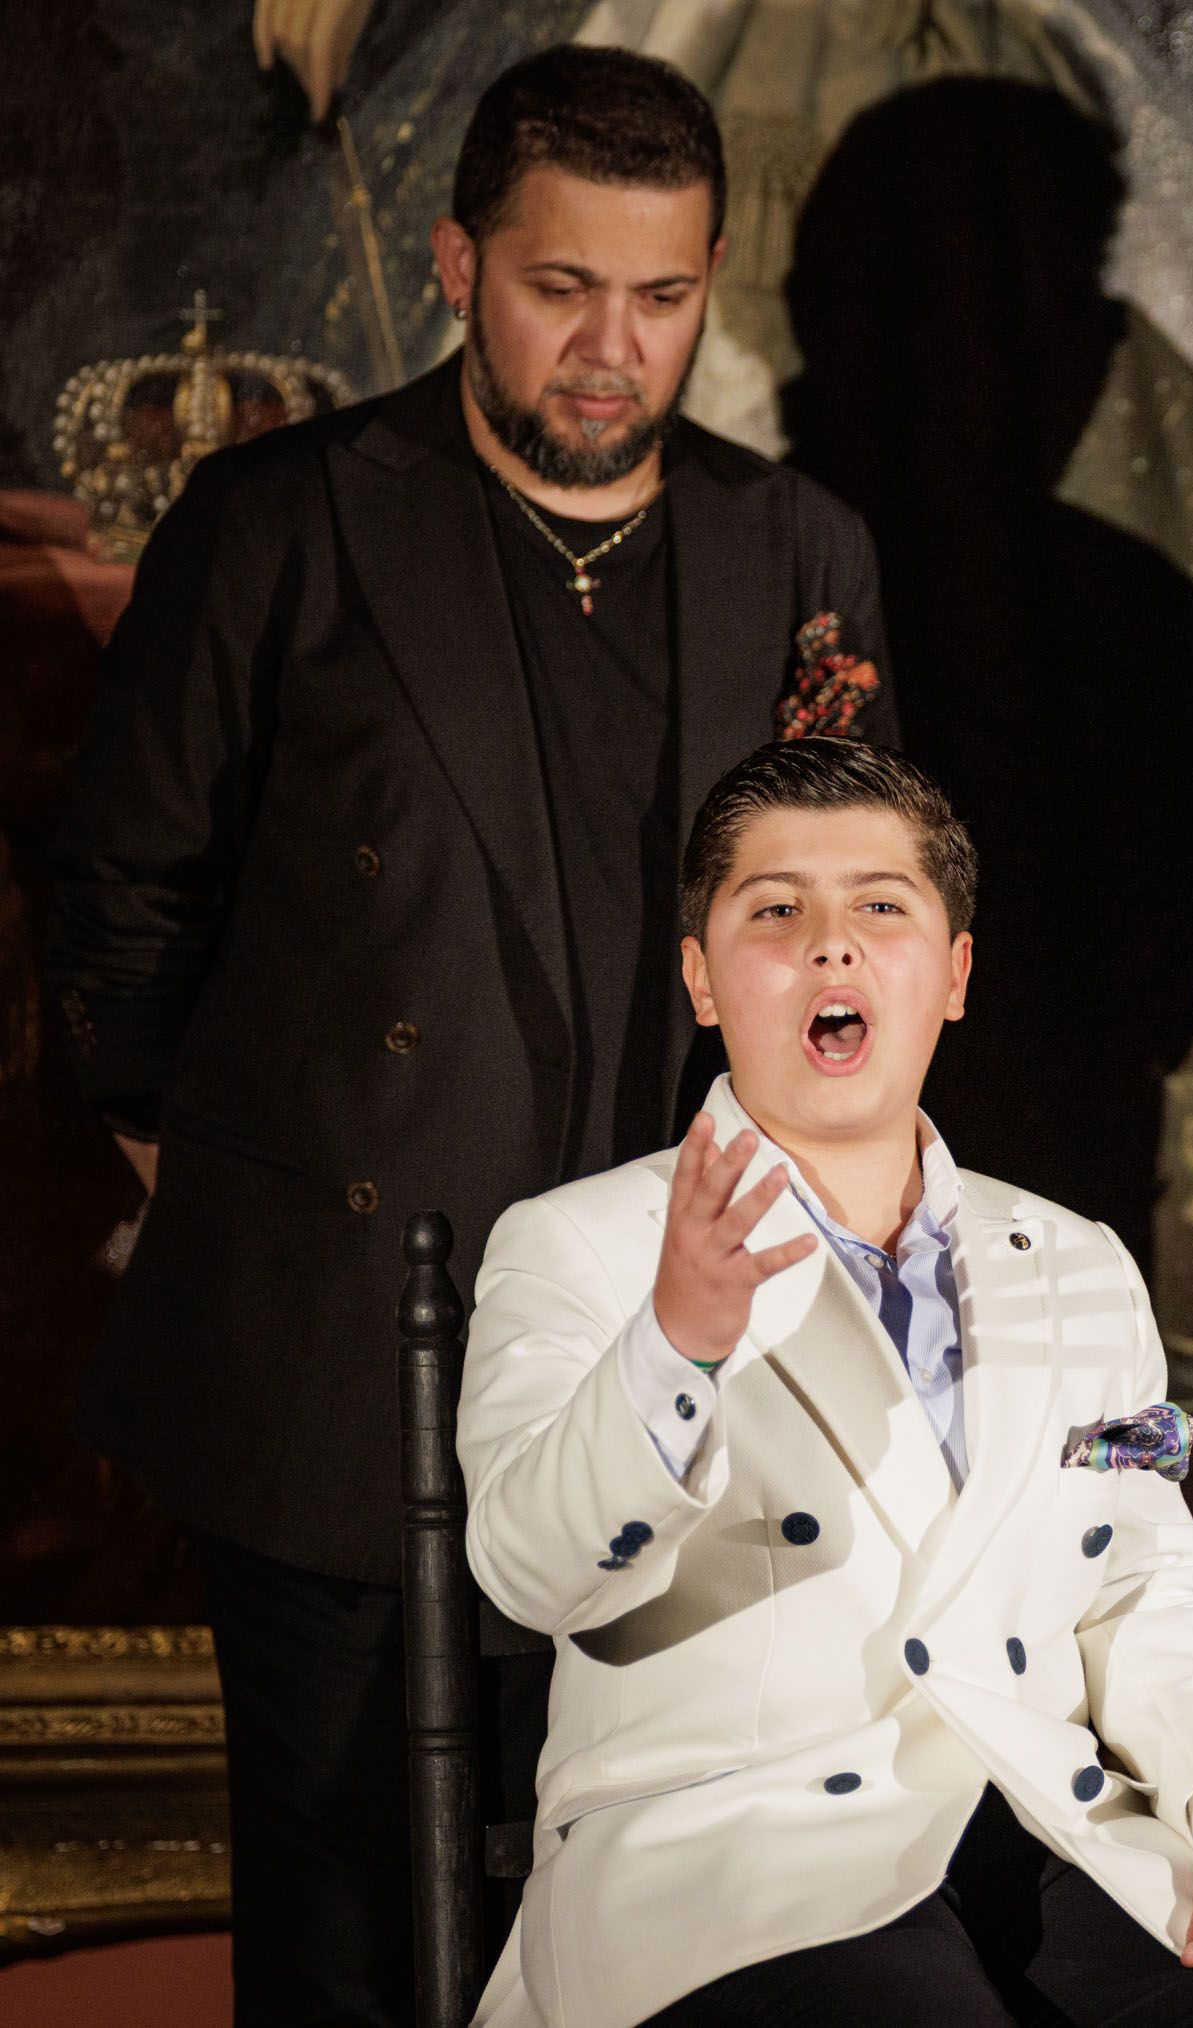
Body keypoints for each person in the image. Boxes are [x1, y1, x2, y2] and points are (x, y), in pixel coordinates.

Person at [45, 46, 895, 2023]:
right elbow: (120, 904)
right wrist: (242, 1197)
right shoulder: (281, 524)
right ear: (456, 265)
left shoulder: (796, 551)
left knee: (630, 1916)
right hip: (341, 1353)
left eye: (661, 296)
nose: (612, 350)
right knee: (349, 1920)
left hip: (672, 1355)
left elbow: (840, 943)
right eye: (559, 287)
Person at [455, 737, 1193, 2027]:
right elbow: (531, 1572)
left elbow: (1148, 1576)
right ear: (700, 977)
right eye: (776, 911)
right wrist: (675, 1345)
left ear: (954, 974)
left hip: (1048, 1838)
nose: (832, 946)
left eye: (881, 908)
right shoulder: (581, 1243)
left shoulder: (1079, 1263)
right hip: (732, 1864)